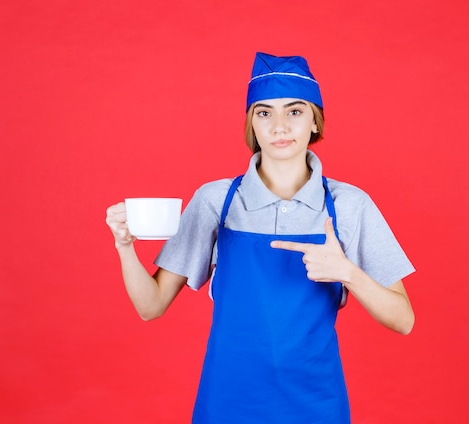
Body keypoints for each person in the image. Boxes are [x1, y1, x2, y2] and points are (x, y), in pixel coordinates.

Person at [106, 52, 415, 424]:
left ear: (315, 123)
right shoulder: (216, 201)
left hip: (316, 404)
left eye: (295, 112)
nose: (279, 126)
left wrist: (348, 272)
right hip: (228, 401)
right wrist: (125, 246)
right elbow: (150, 306)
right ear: (252, 124)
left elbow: (404, 319)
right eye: (264, 112)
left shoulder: (349, 205)